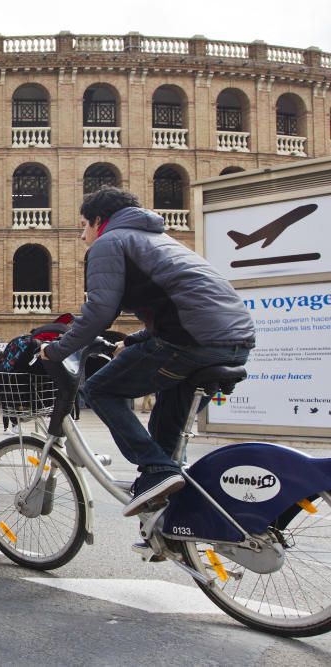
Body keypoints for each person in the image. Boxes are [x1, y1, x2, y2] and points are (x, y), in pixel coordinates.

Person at [40, 187, 255, 517]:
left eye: (84, 225)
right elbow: (184, 303)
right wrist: (137, 340)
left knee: (99, 389)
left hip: (189, 343)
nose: (83, 236)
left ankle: (157, 472)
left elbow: (99, 312)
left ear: (100, 220)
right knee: (164, 437)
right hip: (232, 343)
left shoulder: (111, 242)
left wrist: (54, 351)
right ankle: (172, 526)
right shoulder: (160, 240)